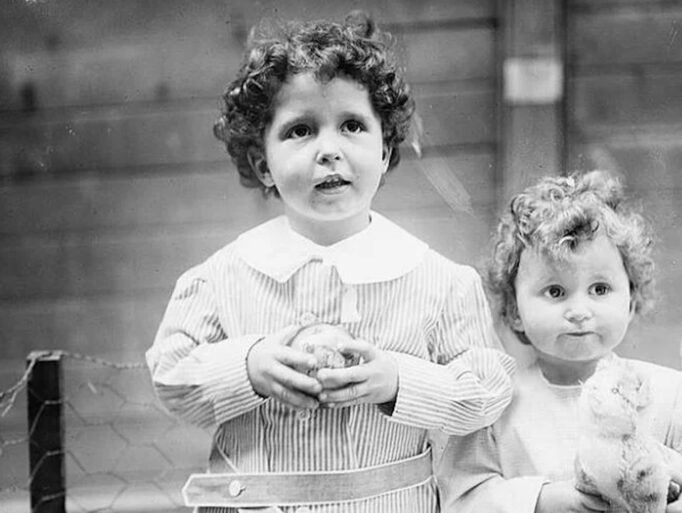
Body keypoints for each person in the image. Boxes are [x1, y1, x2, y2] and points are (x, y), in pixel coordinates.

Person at [145, 12, 514, 513]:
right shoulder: (222, 277)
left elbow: (487, 390)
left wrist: (399, 381)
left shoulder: (440, 282)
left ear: (384, 150)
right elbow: (171, 377)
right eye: (300, 130)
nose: (329, 151)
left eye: (352, 126)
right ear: (262, 164)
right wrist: (247, 366)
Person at [436, 171, 682, 513]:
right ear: (514, 310)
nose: (579, 311)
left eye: (600, 289)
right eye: (555, 291)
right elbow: (464, 495)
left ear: (630, 299)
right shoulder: (495, 406)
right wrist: (545, 500)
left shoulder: (668, 393)